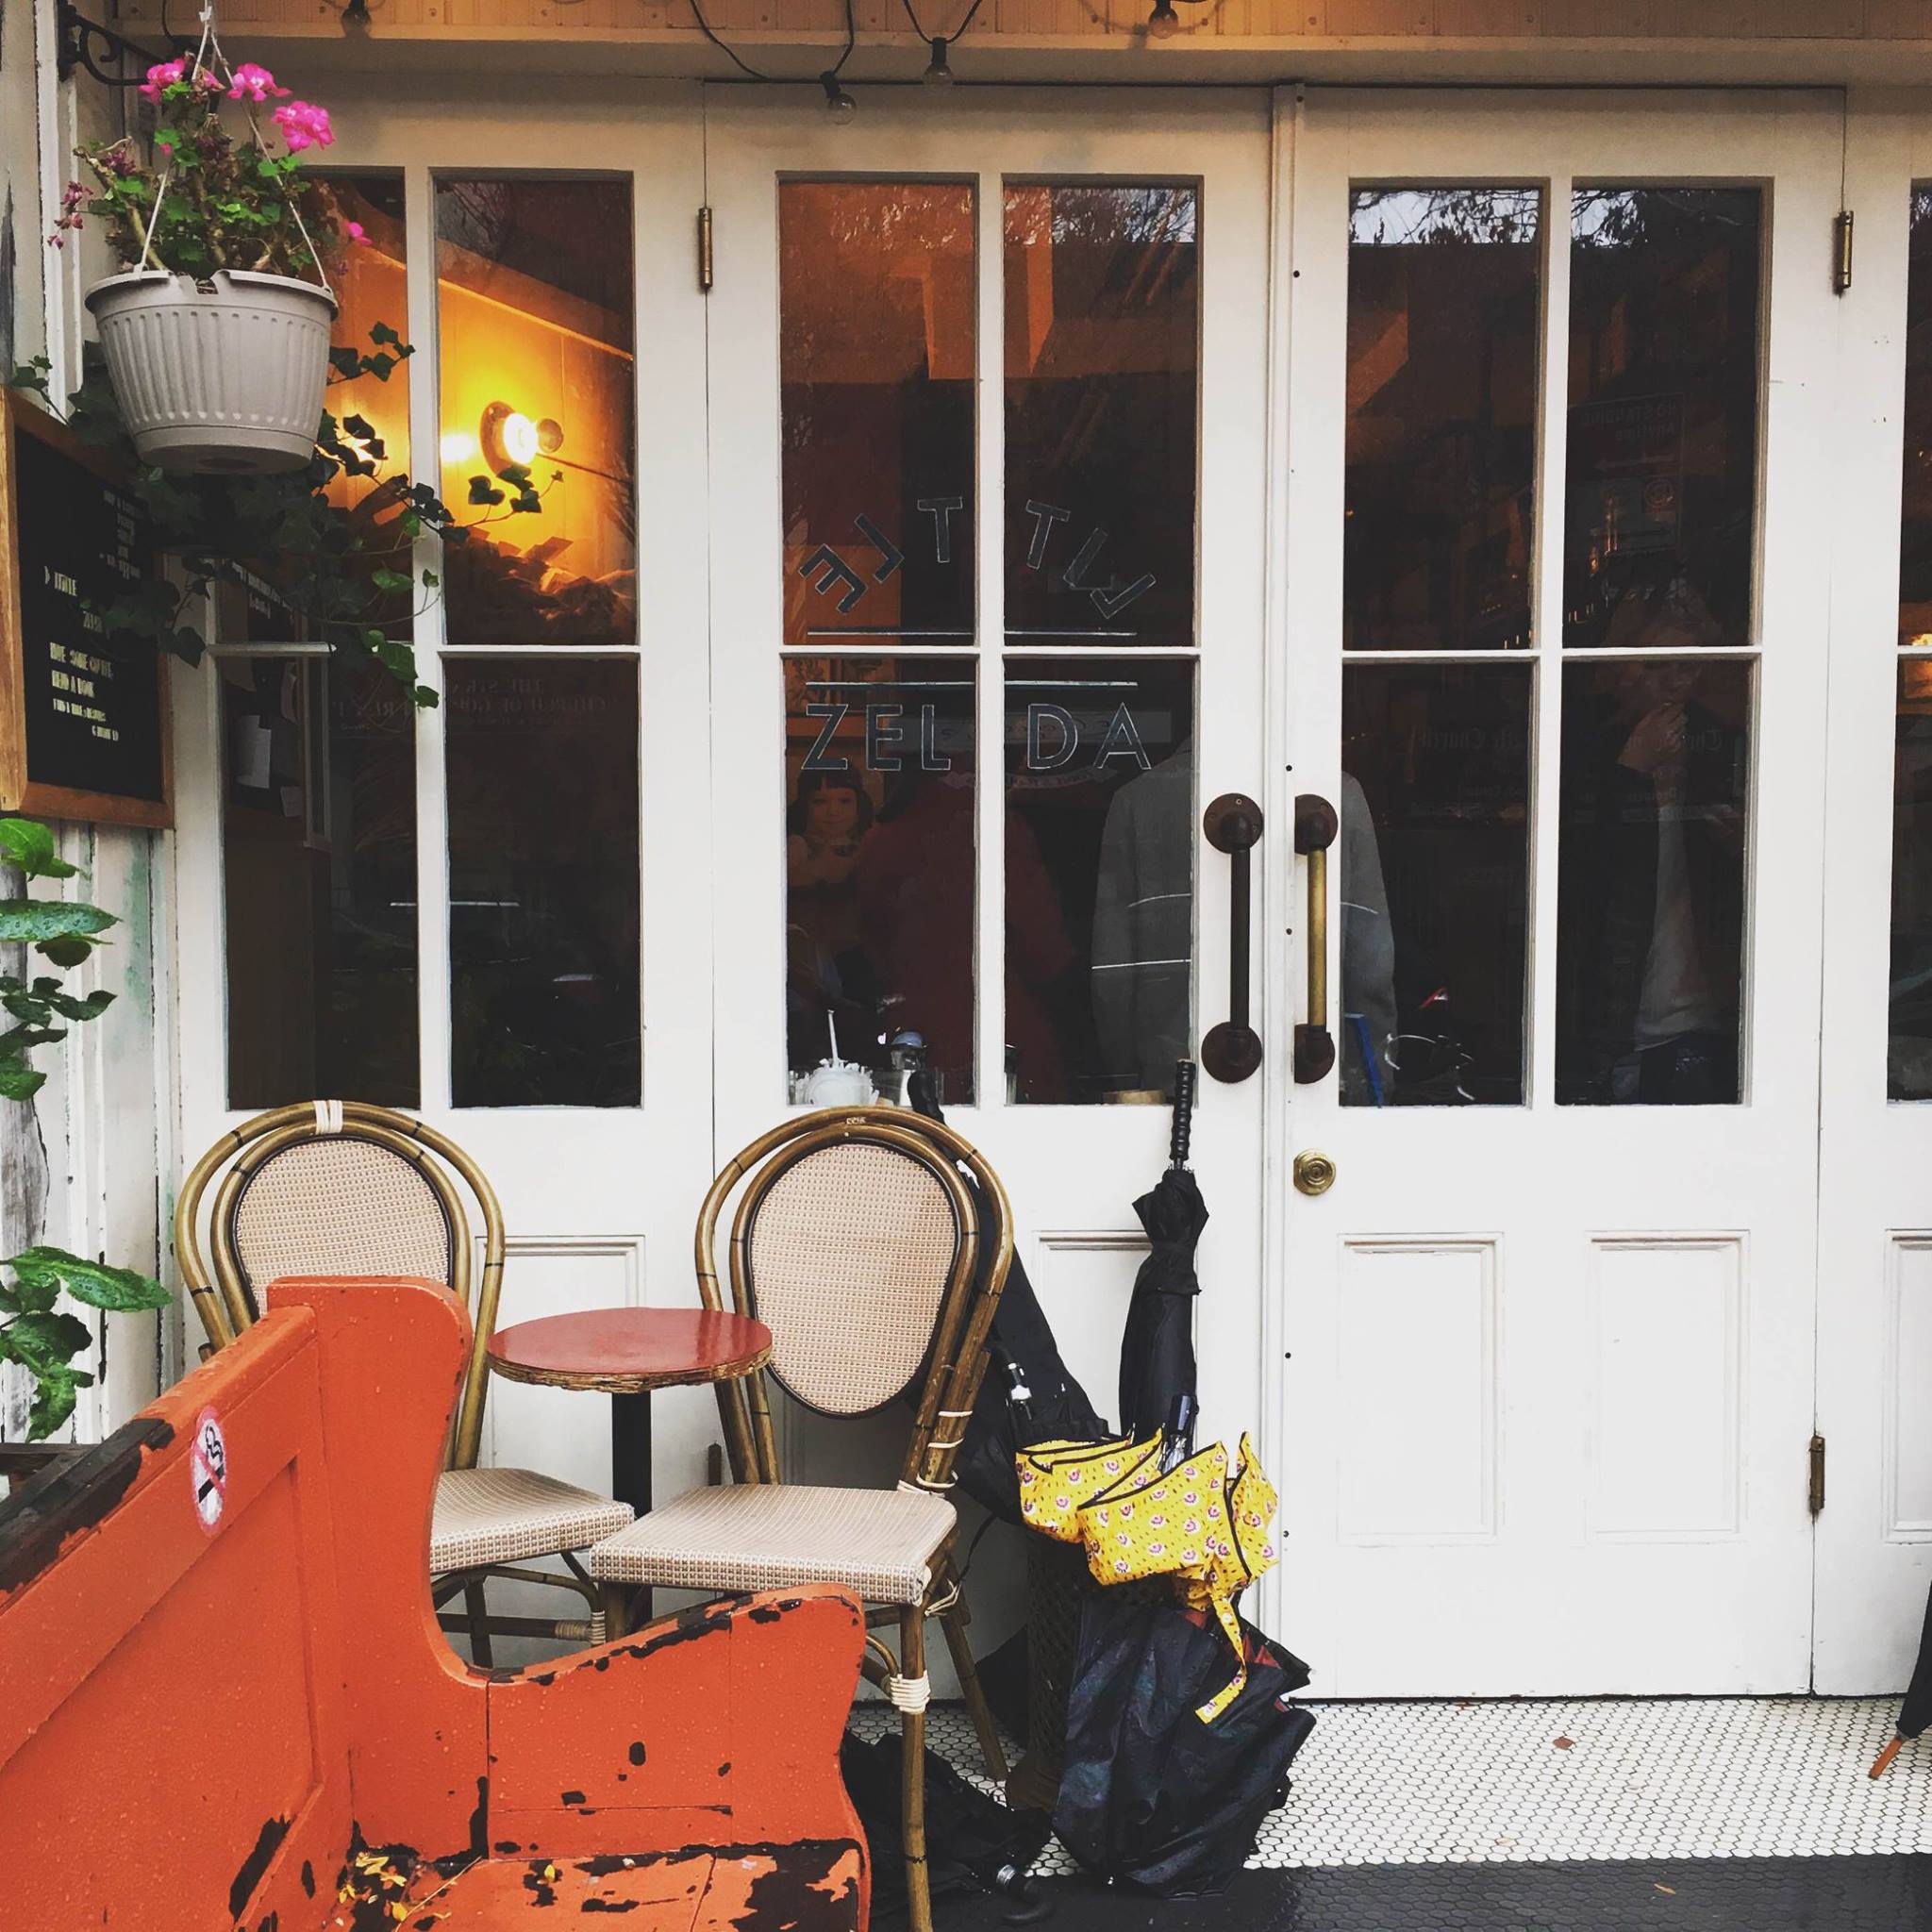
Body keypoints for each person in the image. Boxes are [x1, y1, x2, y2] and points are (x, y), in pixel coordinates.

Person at [1557, 659, 1745, 1105]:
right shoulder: (1583, 763)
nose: (1674, 682)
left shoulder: (1722, 772)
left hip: (1714, 1029)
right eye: (1657, 665)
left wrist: (1747, 854)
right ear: (1618, 675)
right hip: (1610, 1036)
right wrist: (1630, 773)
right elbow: (1577, 894)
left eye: (1689, 668)